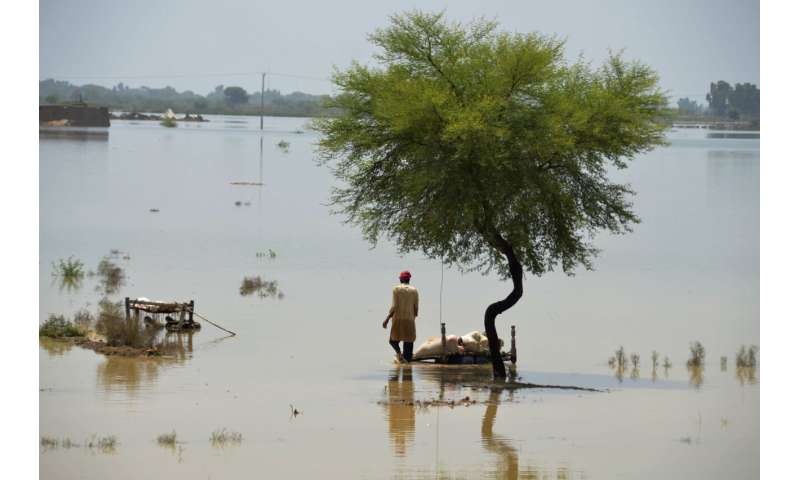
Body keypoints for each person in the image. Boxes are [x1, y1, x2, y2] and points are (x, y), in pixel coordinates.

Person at [382, 270, 419, 363]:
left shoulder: (396, 289)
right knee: (409, 343)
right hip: (410, 320)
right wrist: (412, 318)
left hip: (398, 319)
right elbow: (416, 308)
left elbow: (394, 306)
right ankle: (407, 366)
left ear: (401, 279)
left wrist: (387, 319)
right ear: (409, 279)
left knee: (393, 341)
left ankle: (399, 354)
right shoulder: (414, 290)